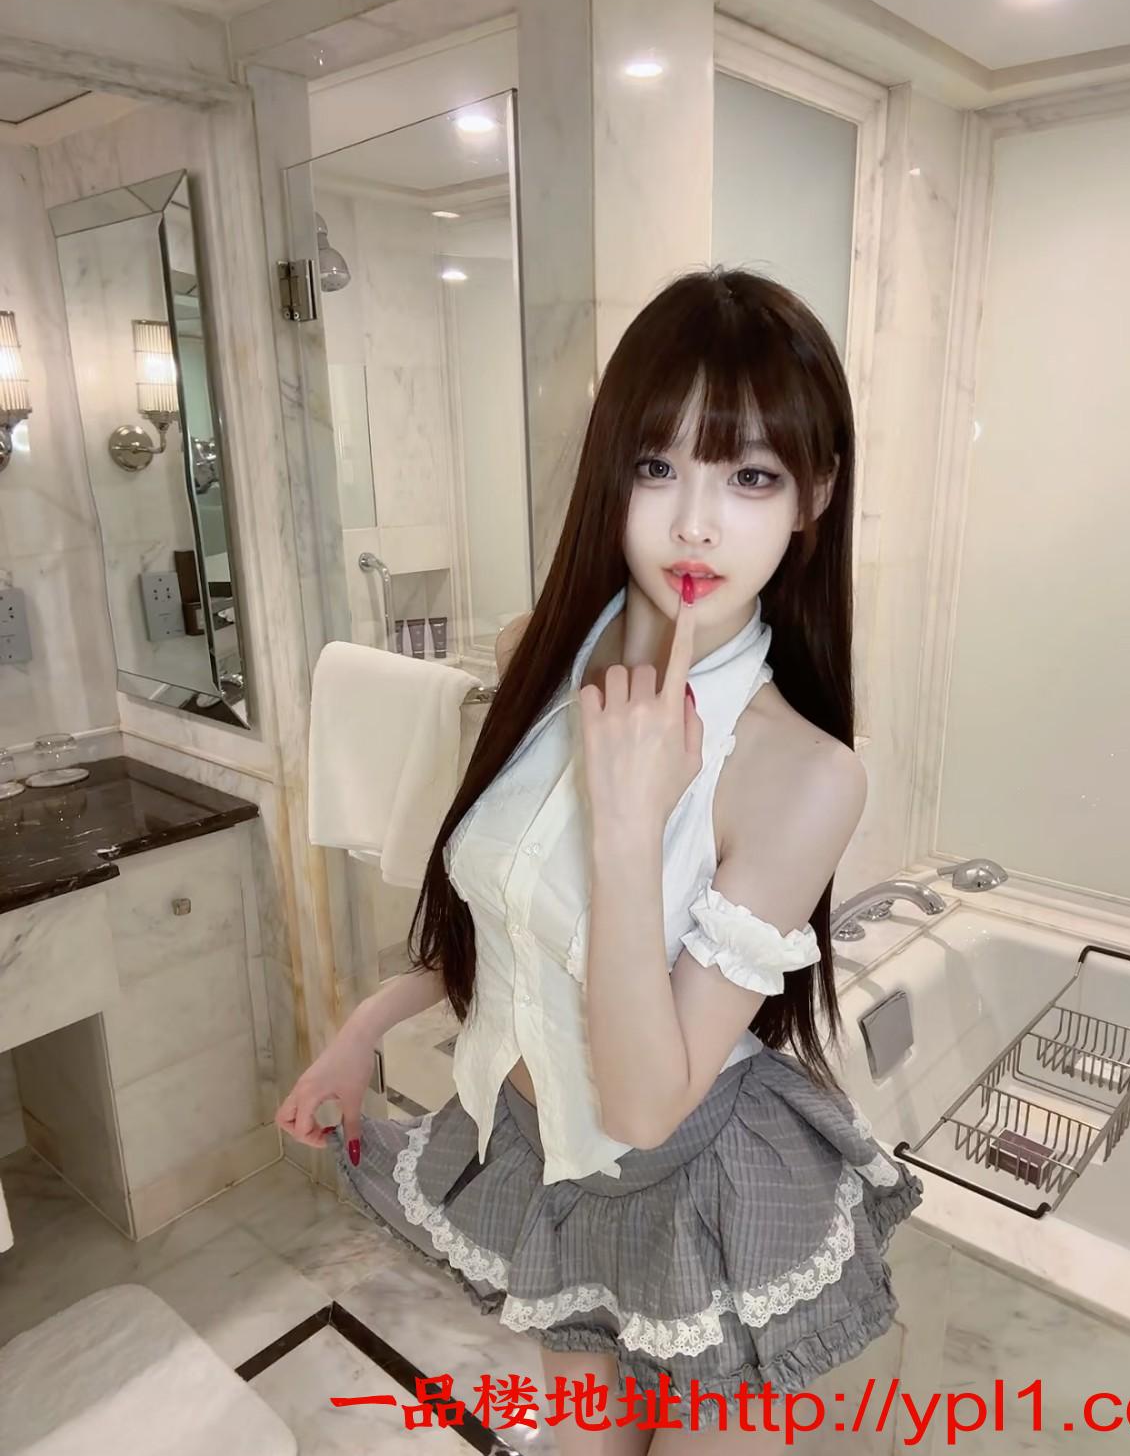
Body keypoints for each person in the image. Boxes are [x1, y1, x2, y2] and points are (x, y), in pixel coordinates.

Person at [277, 265, 923, 1452]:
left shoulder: (804, 772)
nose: (693, 524)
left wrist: (631, 829)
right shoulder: (539, 651)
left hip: (702, 1189)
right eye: (657, 465)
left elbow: (642, 1102)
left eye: (750, 476)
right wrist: (368, 1022)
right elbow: (511, 915)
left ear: (814, 494)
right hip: (547, 1167)